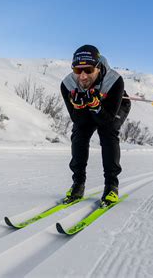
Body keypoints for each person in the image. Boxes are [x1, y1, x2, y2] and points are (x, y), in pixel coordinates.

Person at [60, 45, 131, 206]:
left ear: (98, 68)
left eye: (88, 70)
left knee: (108, 132)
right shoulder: (67, 84)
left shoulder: (115, 81)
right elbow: (78, 121)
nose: (83, 76)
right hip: (90, 107)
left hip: (114, 106)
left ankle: (111, 185)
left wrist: (96, 106)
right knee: (79, 134)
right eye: (78, 71)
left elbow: (106, 120)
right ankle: (78, 184)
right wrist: (79, 107)